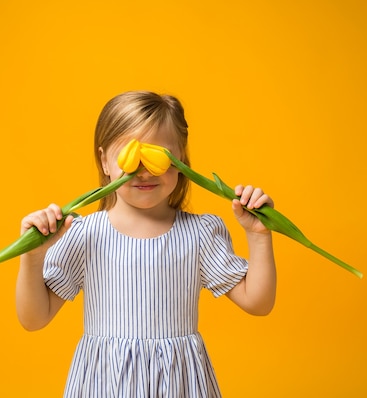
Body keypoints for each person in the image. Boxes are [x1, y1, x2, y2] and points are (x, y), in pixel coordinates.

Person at [16, 91, 276, 397]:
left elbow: (258, 303)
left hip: (179, 384)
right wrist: (32, 257)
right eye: (130, 157)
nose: (143, 171)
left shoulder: (200, 234)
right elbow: (34, 319)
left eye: (158, 157)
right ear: (105, 161)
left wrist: (259, 235)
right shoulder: (85, 234)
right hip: (105, 384)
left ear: (181, 161)